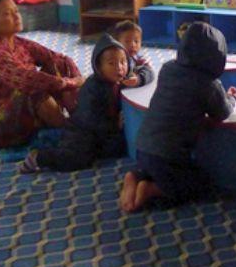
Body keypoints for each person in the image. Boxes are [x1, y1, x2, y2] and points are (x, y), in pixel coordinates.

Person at [120, 22, 236, 212]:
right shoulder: (208, 83)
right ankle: (151, 189)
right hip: (170, 155)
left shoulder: (167, 68)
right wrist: (232, 98)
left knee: (158, 171)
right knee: (199, 185)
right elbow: (222, 113)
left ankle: (135, 178)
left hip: (143, 147)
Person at [19, 35, 151, 173]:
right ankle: (38, 158)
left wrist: (139, 79)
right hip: (83, 130)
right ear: (99, 67)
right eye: (111, 63)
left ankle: (61, 140)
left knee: (120, 148)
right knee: (77, 159)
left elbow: (147, 70)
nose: (119, 68)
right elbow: (91, 119)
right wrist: (114, 125)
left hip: (104, 132)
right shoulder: (93, 87)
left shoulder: (123, 77)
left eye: (123, 62)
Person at [0, 0, 83, 149]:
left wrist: (76, 85)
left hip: (21, 111)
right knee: (33, 89)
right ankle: (71, 132)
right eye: (8, 14)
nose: (17, 16)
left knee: (60, 63)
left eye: (16, 11)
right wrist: (70, 83)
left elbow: (56, 58)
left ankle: (80, 116)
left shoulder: (17, 42)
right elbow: (28, 80)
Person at [110, 20, 155, 88]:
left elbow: (150, 72)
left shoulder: (138, 59)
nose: (133, 45)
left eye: (136, 41)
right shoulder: (112, 59)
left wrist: (138, 79)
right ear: (116, 43)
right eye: (127, 41)